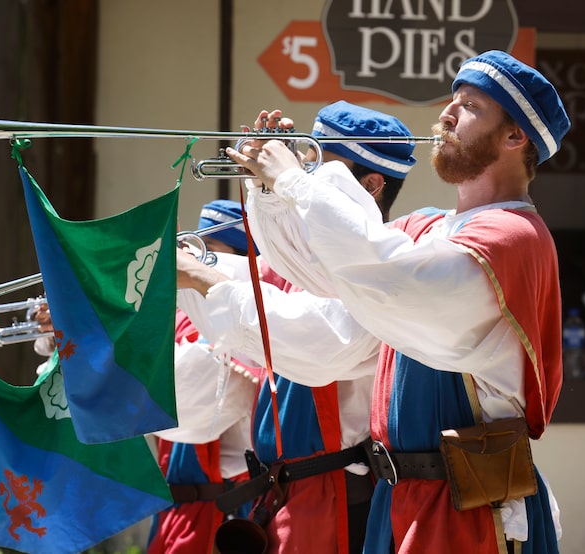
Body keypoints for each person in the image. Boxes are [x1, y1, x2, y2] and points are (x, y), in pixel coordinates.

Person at [225, 50, 570, 553]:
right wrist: (272, 193)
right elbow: (324, 273)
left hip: (469, 507)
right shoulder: (427, 226)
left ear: (515, 136)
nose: (446, 115)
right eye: (452, 101)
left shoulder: (513, 235)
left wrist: (297, 182)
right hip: (401, 500)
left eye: (470, 105)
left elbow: (388, 275)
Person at [175, 102, 418, 553]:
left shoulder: (382, 270)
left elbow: (318, 341)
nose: (301, 175)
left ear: (372, 185)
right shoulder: (292, 266)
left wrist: (198, 275)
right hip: (282, 495)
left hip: (340, 494)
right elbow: (244, 278)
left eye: (320, 169)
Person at [147, 199, 262, 554]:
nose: (192, 262)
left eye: (208, 251)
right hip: (175, 515)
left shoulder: (238, 335)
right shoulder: (182, 321)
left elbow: (166, 408)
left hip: (227, 516)